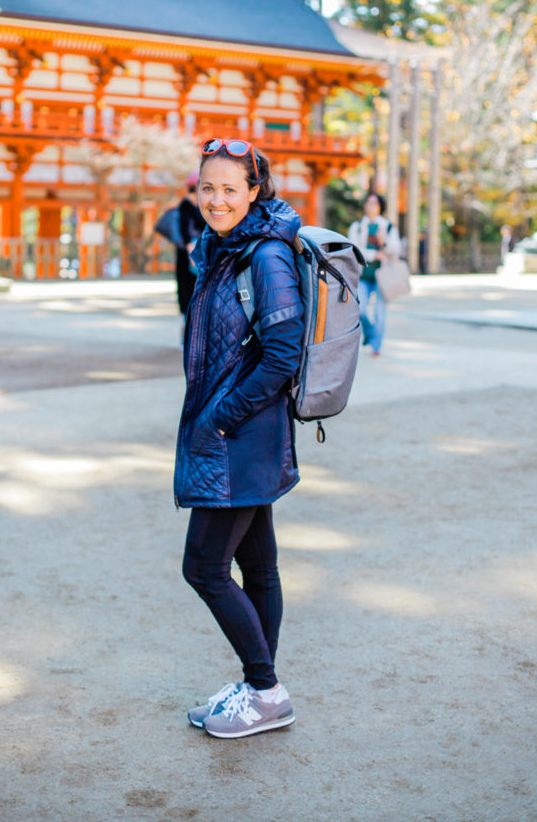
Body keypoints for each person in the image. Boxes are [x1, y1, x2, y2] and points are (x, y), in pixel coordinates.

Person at [174, 137, 304, 739]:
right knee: (258, 565)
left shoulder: (264, 256)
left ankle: (266, 689)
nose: (217, 199)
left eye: (230, 188)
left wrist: (221, 418)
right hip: (242, 434)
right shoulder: (223, 247)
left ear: (255, 192)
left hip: (241, 435)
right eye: (208, 188)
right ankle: (259, 690)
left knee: (203, 566)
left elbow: (283, 354)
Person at [347, 192, 401, 356]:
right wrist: (373, 255)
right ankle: (370, 334)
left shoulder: (389, 227)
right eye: (368, 203)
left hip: (382, 275)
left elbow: (396, 251)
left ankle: (376, 346)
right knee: (361, 310)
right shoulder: (356, 227)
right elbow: (353, 249)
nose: (370, 206)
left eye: (374, 203)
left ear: (380, 207)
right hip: (363, 274)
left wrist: (384, 242)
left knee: (379, 312)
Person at [175, 172, 206, 319]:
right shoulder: (187, 204)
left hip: (198, 248)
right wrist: (190, 249)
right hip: (190, 250)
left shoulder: (202, 204)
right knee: (188, 287)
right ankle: (187, 326)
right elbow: (185, 228)